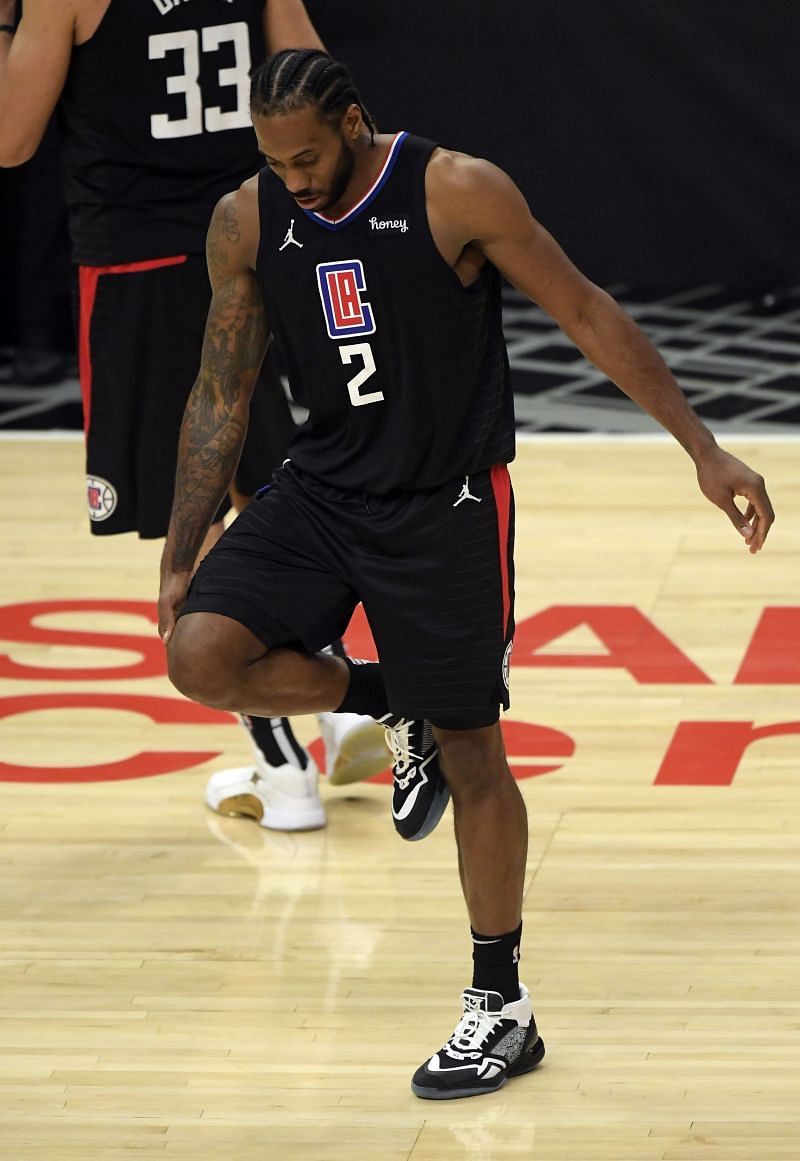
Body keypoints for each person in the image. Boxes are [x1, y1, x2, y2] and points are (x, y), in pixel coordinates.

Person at [162, 47, 774, 1099]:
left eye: (307, 157)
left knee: (474, 751)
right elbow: (223, 388)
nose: (294, 180)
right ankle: (386, 699)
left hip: (443, 505)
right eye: (274, 161)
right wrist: (180, 555)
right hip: (321, 489)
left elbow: (583, 312)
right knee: (201, 657)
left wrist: (701, 448)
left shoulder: (454, 189)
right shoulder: (247, 218)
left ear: (351, 121)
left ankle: (501, 1005)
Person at [0, 2, 389, 825]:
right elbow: (328, 91)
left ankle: (283, 771)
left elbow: (10, 136)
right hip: (259, 236)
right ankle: (339, 699)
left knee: (199, 512)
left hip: (140, 263)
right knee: (274, 485)